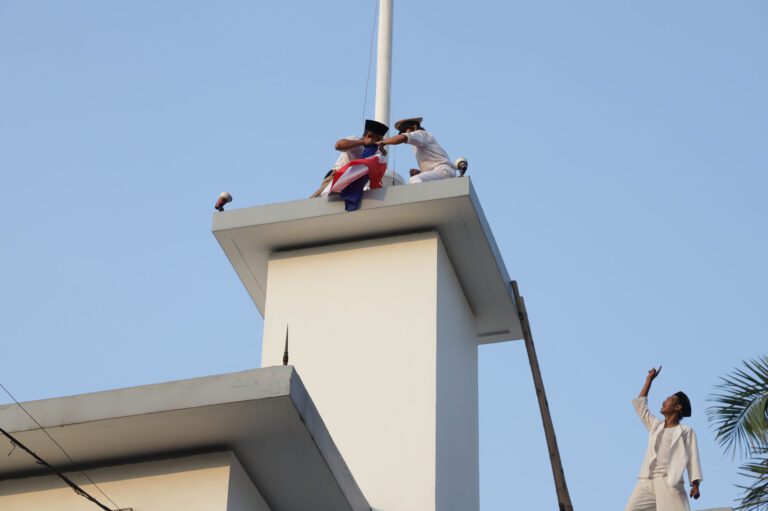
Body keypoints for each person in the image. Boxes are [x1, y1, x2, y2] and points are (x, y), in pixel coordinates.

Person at [625, 366, 703, 511]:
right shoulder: (656, 426)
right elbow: (641, 408)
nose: (663, 402)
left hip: (669, 480)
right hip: (647, 480)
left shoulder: (686, 431)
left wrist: (695, 484)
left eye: (668, 400)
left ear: (678, 407)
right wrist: (649, 380)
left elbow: (693, 459)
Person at [310, 119, 389, 198]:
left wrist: (382, 155)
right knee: (316, 202)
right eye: (378, 139)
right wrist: (362, 142)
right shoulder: (355, 140)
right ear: (369, 136)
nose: (379, 142)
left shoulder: (376, 153)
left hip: (352, 184)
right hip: (336, 177)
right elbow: (338, 145)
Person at [377, 117, 457, 184]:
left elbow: (403, 137)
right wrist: (421, 172)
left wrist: (383, 142)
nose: (404, 133)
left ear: (414, 127)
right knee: (416, 178)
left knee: (414, 180)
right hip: (441, 172)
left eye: (405, 130)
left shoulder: (421, 134)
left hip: (443, 170)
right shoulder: (418, 143)